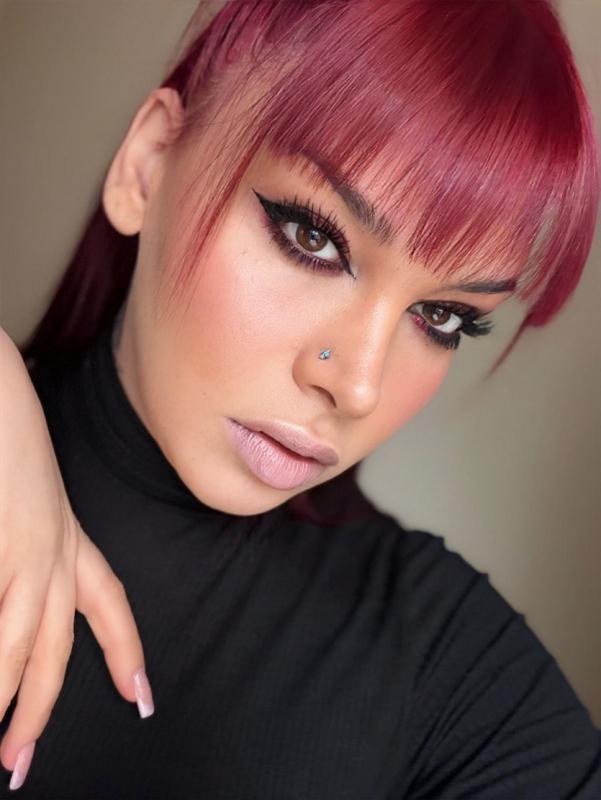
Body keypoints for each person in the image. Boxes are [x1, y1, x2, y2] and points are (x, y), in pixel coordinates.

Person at [1, 0, 600, 796]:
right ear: (146, 165)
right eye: (312, 237)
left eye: (441, 317)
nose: (354, 385)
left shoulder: (453, 671)